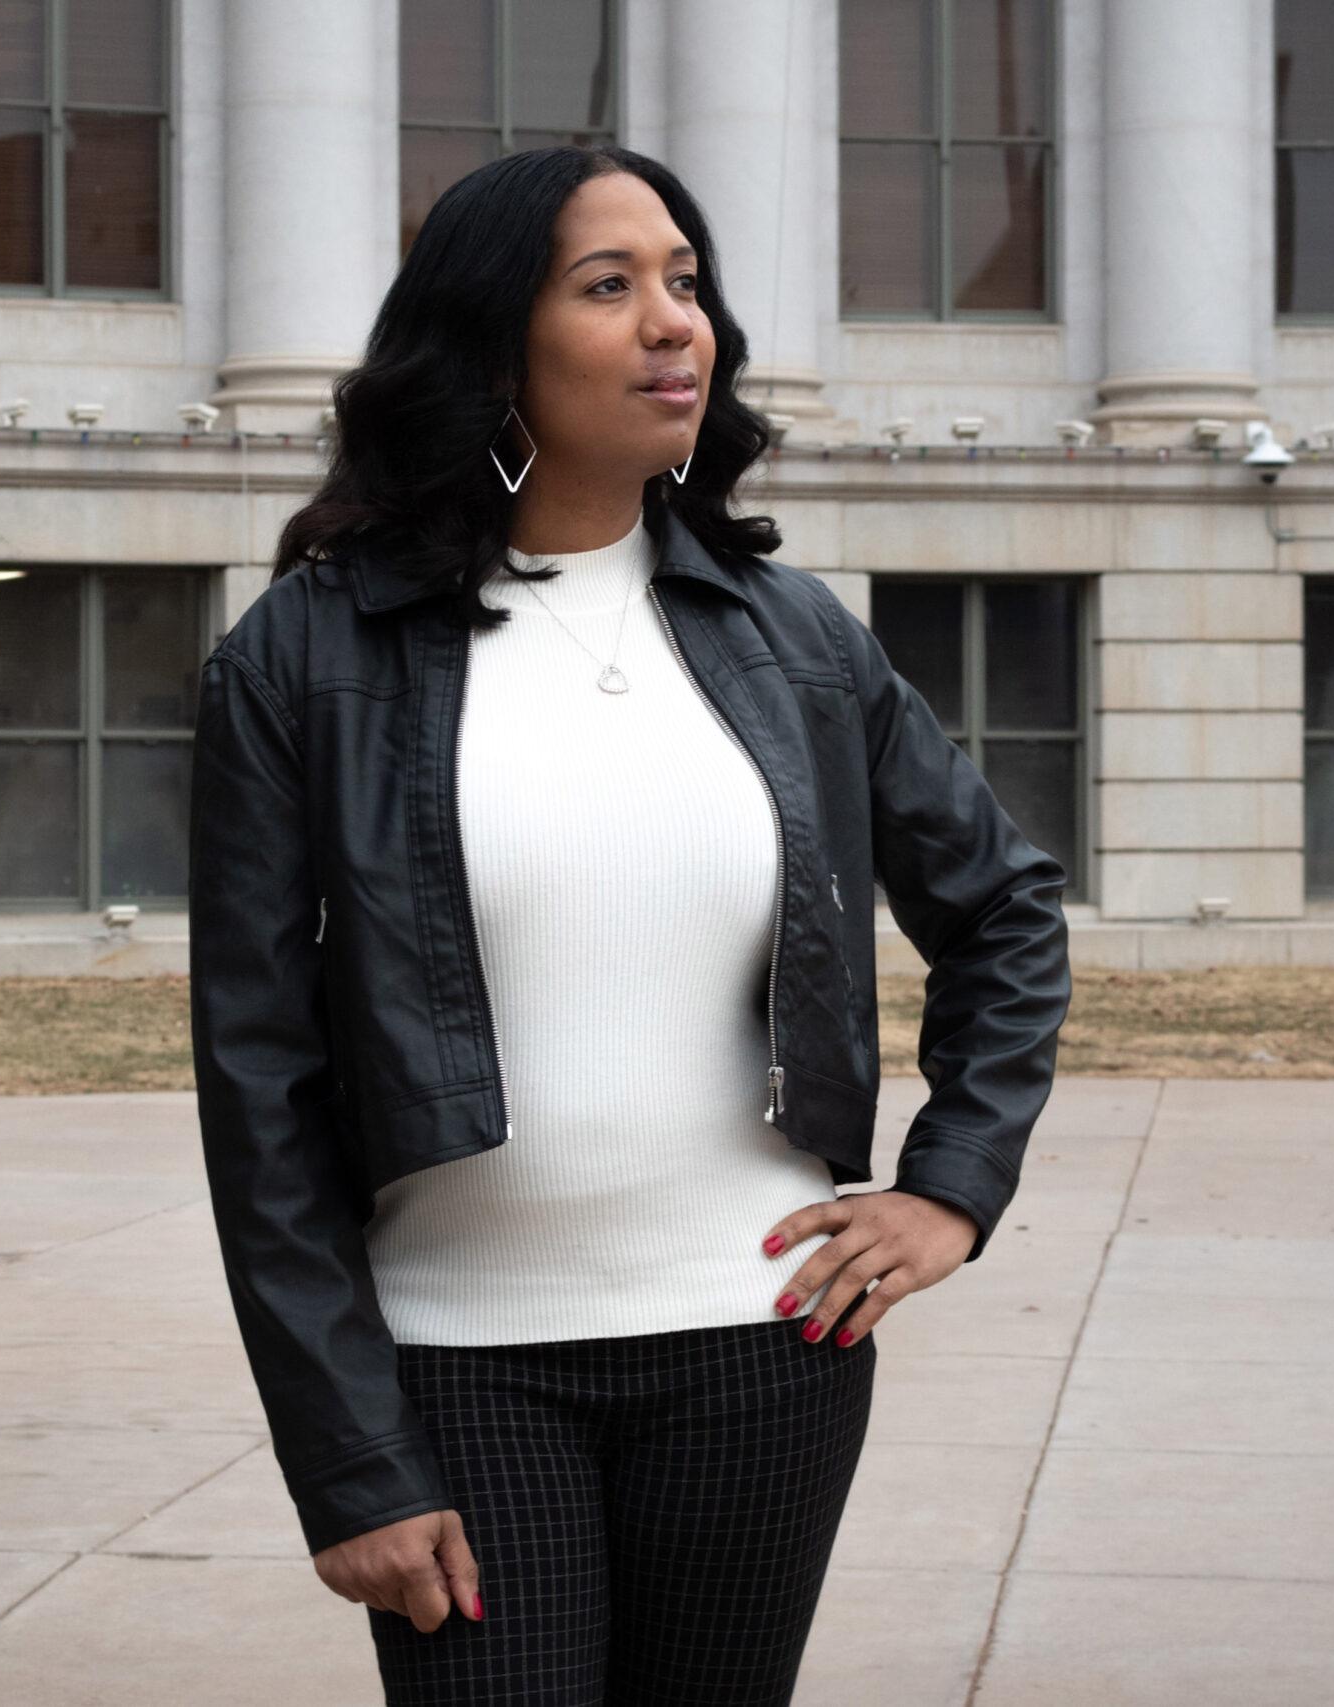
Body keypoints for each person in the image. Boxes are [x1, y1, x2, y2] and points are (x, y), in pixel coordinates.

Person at [187, 143, 1072, 1705]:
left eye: (686, 281)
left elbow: (1003, 907)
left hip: (760, 1355)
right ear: (489, 341)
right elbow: (258, 1084)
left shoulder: (792, 639)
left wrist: (952, 1187)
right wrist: (347, 1458)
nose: (678, 324)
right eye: (611, 287)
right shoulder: (307, 655)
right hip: (458, 1373)